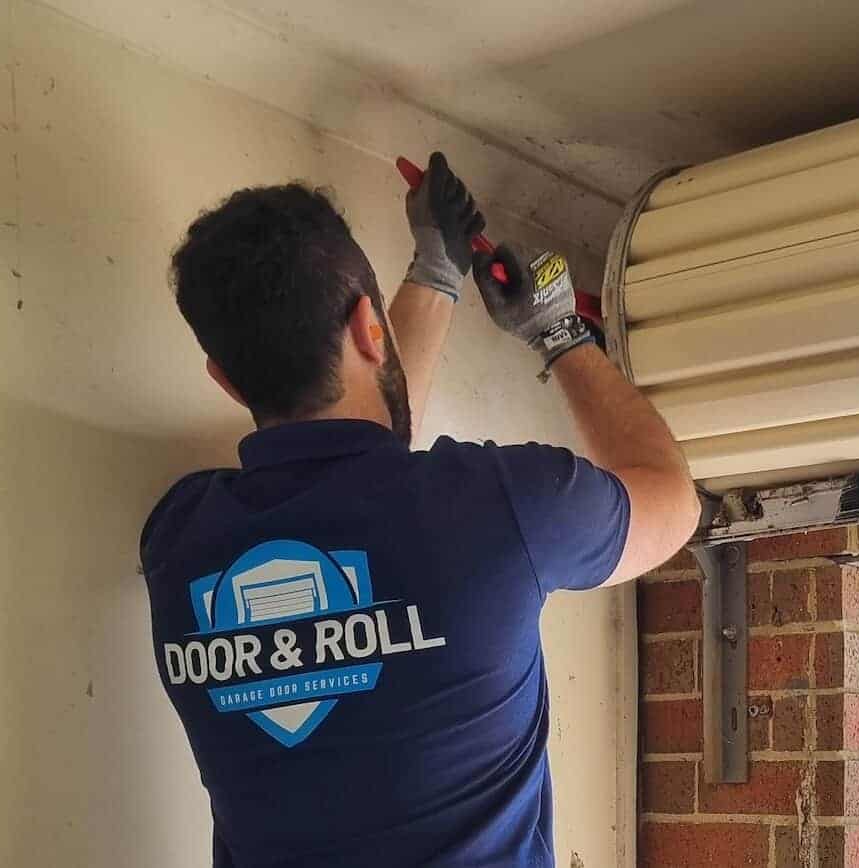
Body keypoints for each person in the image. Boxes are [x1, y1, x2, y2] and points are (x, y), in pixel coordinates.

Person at [141, 152, 699, 867]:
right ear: (371, 329)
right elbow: (670, 499)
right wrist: (558, 332)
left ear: (223, 378)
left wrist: (437, 273)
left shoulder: (180, 540)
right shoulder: (500, 509)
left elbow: (371, 478)